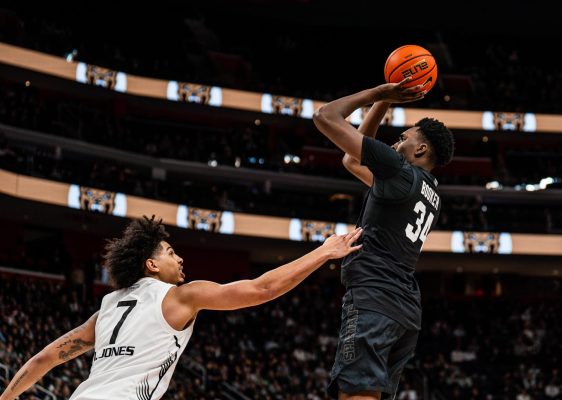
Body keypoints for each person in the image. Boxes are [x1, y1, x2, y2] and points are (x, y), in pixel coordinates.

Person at [0, 215, 363, 400]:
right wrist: (323, 252)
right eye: (171, 252)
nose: (180, 256)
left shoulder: (107, 308)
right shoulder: (180, 296)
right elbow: (262, 288)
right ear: (152, 265)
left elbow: (43, 360)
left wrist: (7, 397)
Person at [312, 78, 455, 400]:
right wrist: (385, 103)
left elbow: (325, 116)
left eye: (403, 138)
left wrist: (378, 92)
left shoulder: (398, 170)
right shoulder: (429, 191)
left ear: (420, 149)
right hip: (403, 307)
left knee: (357, 393)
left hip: (375, 295)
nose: (394, 144)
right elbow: (351, 161)